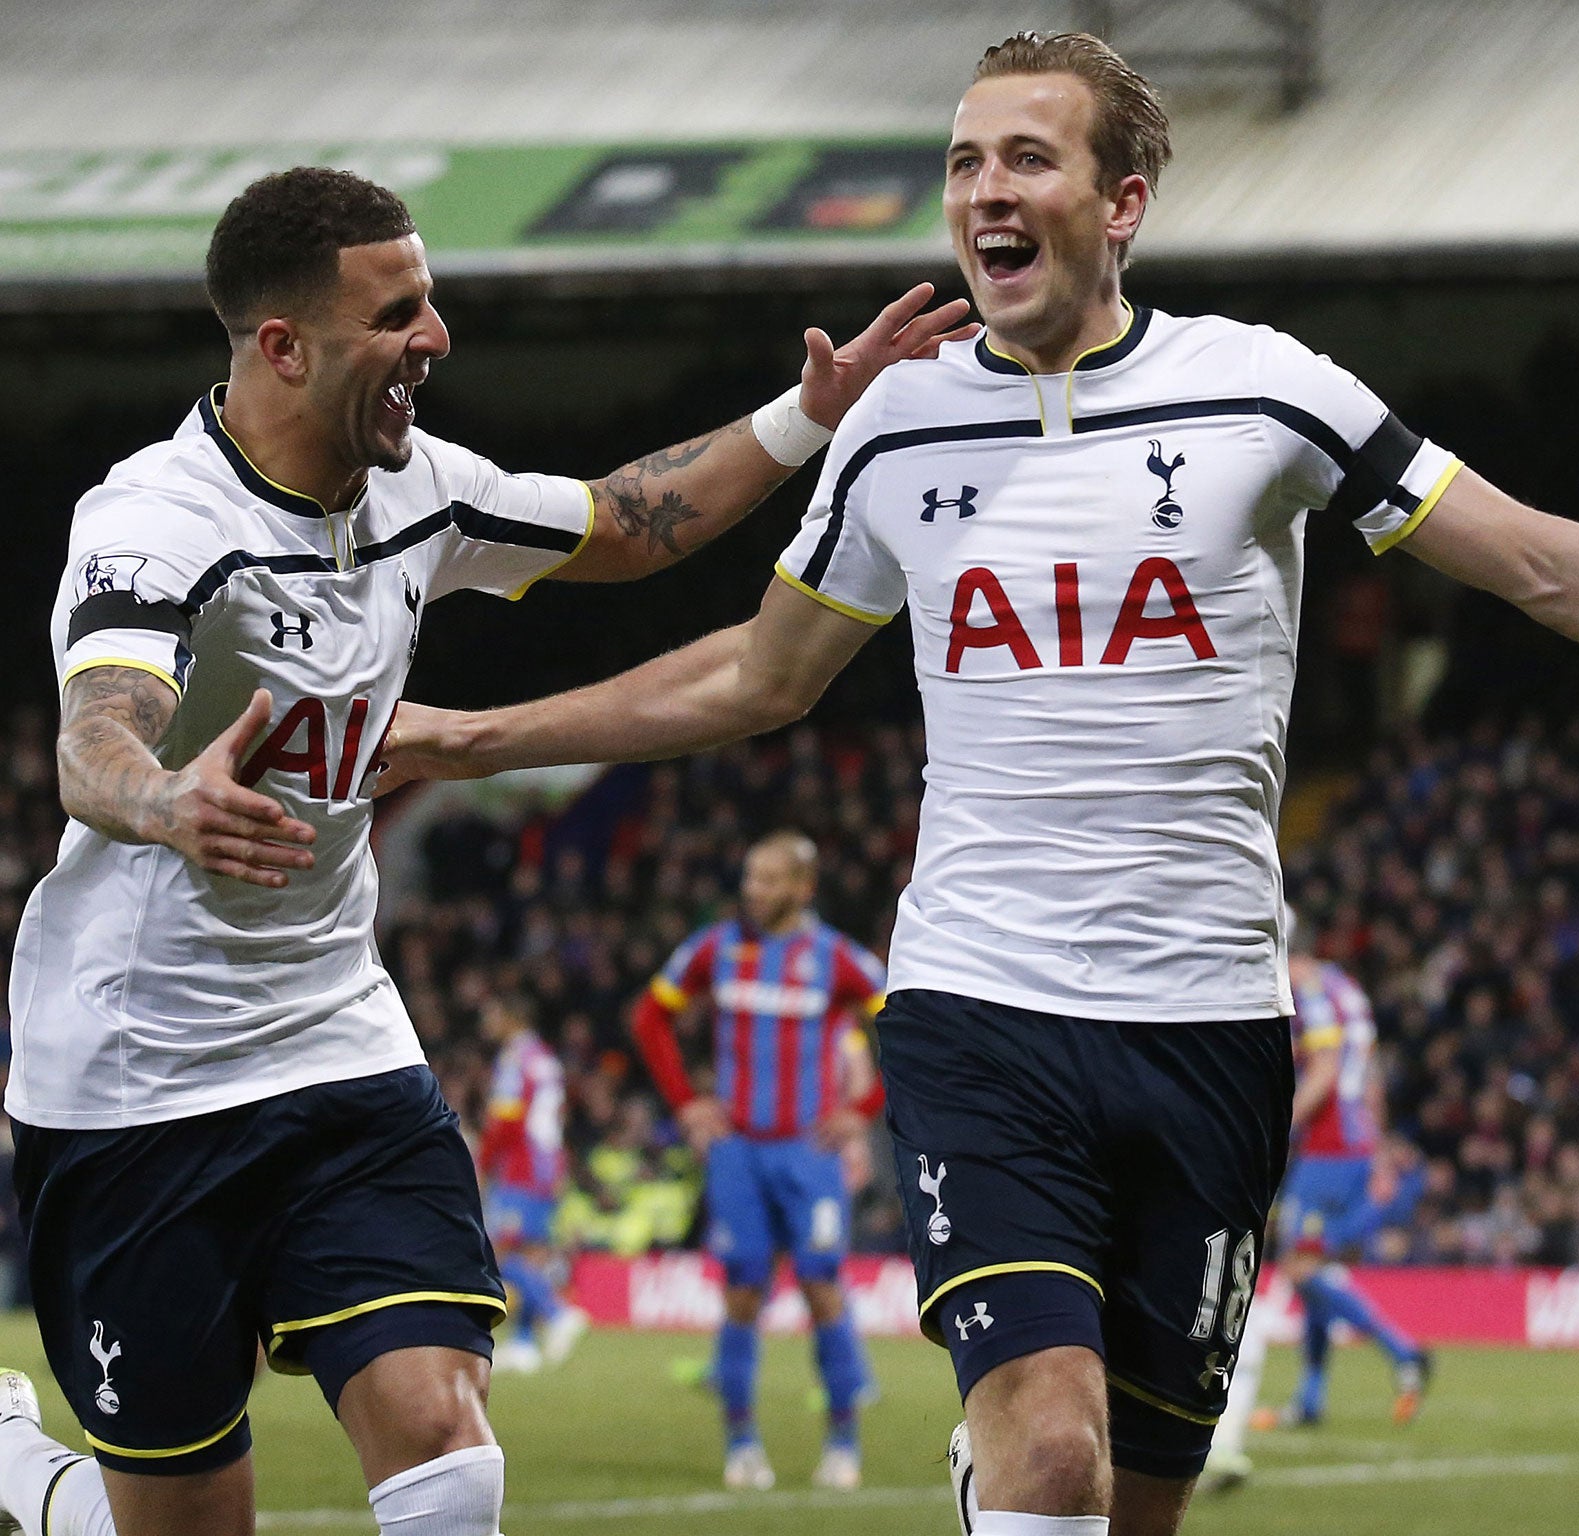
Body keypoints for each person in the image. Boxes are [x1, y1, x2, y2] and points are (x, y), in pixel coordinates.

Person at [374, 37, 1579, 1536]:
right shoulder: (895, 431)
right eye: (962, 163)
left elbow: (1530, 559)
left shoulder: (1263, 389)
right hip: (979, 1008)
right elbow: (757, 673)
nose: (981, 192)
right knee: (1048, 1460)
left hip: (1211, 1031)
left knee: (1138, 1500)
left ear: (1122, 200)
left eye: (1024, 158)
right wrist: (468, 736)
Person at [0, 165, 967, 1536]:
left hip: (338, 1047)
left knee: (450, 1463)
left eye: (431, 301)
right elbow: (97, 737)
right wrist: (164, 800)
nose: (435, 338)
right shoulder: (157, 526)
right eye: (399, 313)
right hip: (133, 1080)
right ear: (285, 346)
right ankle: (36, 1485)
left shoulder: (420, 493)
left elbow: (622, 526)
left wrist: (815, 407)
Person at [629, 830, 887, 1493]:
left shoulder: (837, 959)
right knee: (742, 1288)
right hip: (738, 1149)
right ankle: (742, 1443)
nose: (754, 890)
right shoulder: (717, 947)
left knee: (821, 1286)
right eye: (749, 877)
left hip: (809, 1150)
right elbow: (650, 1019)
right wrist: (688, 1103)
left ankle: (843, 1443)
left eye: (769, 880)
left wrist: (861, 1111)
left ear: (803, 888)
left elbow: (906, 1022)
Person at [1199, 913, 1428, 1494]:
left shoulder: (1308, 990)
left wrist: (1281, 1126)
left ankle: (1404, 1350)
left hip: (1328, 1148)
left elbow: (1325, 1068)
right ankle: (1311, 1398)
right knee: (1312, 1271)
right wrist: (1376, 1146)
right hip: (1355, 1144)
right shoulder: (1347, 987)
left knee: (1300, 1266)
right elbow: (1367, 1072)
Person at [475, 994, 586, 1374]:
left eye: (492, 1013)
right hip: (547, 1164)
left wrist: (484, 1163)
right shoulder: (545, 1058)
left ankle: (558, 1314)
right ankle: (524, 1345)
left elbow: (505, 1119)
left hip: (522, 1166)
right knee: (530, 1254)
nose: (486, 1021)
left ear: (510, 1018)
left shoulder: (515, 1059)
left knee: (500, 1253)